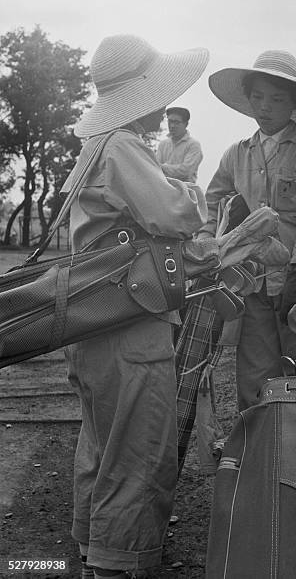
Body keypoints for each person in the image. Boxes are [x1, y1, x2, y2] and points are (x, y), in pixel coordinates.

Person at [63, 34, 209, 579]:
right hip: (129, 322)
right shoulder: (124, 146)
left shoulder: (94, 147)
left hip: (91, 321)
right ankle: (117, 564)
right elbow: (173, 216)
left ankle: (91, 550)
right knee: (140, 452)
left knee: (101, 446)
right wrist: (190, 194)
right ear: (143, 95)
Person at [198, 49, 296, 410]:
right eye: (258, 97)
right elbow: (212, 201)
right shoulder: (237, 153)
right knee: (256, 377)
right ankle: (258, 456)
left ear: (294, 102)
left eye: (277, 99)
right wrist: (206, 247)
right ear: (248, 100)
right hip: (253, 283)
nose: (266, 107)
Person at [157, 106, 203, 183]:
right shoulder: (163, 144)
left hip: (186, 191)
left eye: (177, 122)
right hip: (164, 189)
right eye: (170, 121)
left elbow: (185, 172)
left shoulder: (193, 145)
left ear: (186, 124)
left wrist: (162, 167)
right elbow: (155, 169)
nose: (172, 126)